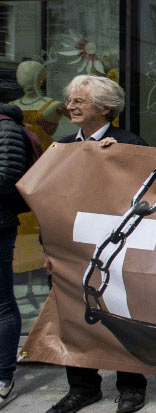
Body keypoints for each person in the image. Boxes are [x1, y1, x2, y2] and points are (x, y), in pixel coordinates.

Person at [48, 75, 148, 413]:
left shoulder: (130, 143)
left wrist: (117, 160)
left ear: (105, 108)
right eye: (71, 100)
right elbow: (48, 200)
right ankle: (82, 387)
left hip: (116, 248)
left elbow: (147, 197)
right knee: (72, 316)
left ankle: (132, 387)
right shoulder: (61, 146)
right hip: (71, 249)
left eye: (79, 101)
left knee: (121, 314)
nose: (71, 106)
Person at [0, 103, 34, 408]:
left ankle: (3, 375)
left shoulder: (6, 127)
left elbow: (8, 174)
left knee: (1, 303)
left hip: (0, 224)